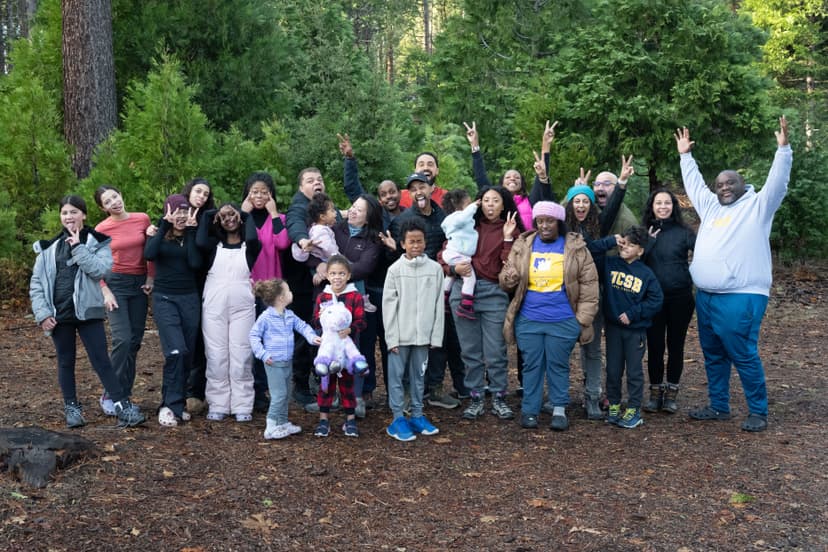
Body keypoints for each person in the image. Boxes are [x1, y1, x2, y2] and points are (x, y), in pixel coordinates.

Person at [676, 116, 792, 432]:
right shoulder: (711, 208)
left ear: (743, 184)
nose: (724, 187)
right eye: (720, 185)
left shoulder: (758, 206)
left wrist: (783, 150)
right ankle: (719, 406)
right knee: (713, 353)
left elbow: (778, 184)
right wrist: (685, 156)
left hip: (741, 296)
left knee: (741, 352)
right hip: (707, 296)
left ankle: (758, 411)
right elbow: (695, 185)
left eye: (730, 183)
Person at [29, 195, 145, 428]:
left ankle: (122, 406)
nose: (69, 217)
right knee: (65, 361)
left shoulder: (98, 241)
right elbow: (37, 283)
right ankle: (72, 408)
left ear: (83, 214)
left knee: (101, 360)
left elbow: (101, 270)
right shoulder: (49, 247)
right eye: (64, 213)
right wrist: (42, 314)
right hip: (59, 314)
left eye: (74, 212)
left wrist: (78, 247)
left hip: (88, 312)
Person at [500, 201, 598, 430]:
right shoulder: (523, 244)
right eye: (540, 221)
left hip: (563, 319)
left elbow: (590, 285)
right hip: (529, 318)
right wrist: (509, 277)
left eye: (550, 221)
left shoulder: (575, 247)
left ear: (559, 222)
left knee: (558, 365)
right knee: (531, 366)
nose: (544, 226)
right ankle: (530, 411)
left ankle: (559, 410)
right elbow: (505, 281)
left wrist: (581, 320)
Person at [442, 186, 524, 420]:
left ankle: (499, 396)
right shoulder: (467, 223)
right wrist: (453, 269)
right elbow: (444, 253)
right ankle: (476, 397)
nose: (490, 205)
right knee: (470, 351)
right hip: (462, 290)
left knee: (496, 350)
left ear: (504, 204)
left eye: (495, 201)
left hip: (493, 292)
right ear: (479, 203)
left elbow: (511, 267)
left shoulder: (511, 229)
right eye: (486, 200)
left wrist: (507, 238)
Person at [285, 166, 362, 410]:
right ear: (301, 187)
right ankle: (302, 387)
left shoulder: (326, 208)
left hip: (326, 284)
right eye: (310, 180)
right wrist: (304, 243)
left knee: (324, 330)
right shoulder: (298, 207)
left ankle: (324, 383)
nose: (316, 182)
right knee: (305, 334)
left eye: (319, 179)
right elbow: (295, 226)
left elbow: (338, 218)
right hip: (302, 284)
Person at [563, 156, 634, 419]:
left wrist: (622, 182)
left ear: (591, 205)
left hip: (593, 296)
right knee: (561, 348)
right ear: (570, 204)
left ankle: (592, 397)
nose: (581, 205)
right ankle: (558, 398)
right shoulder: (562, 228)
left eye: (586, 201)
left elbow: (612, 208)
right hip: (564, 297)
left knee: (592, 348)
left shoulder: (598, 225)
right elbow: (585, 247)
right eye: (576, 201)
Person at [389, 171, 466, 410]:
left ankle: (435, 388)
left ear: (431, 188)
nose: (418, 192)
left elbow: (451, 245)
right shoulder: (403, 220)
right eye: (413, 189)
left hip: (440, 279)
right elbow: (399, 253)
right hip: (410, 284)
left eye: (421, 187)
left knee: (439, 337)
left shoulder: (443, 216)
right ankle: (408, 393)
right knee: (410, 339)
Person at [307, 193, 383, 417]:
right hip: (326, 297)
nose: (353, 211)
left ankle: (355, 397)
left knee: (352, 348)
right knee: (326, 347)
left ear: (368, 217)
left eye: (360, 209)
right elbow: (314, 252)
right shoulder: (334, 229)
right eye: (353, 206)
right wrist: (319, 266)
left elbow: (364, 268)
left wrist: (334, 269)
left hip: (352, 299)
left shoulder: (372, 240)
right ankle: (328, 397)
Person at [590, 226, 664, 429]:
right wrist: (610, 241)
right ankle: (614, 405)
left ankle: (633, 409)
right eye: (624, 243)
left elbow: (656, 300)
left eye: (631, 245)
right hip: (613, 329)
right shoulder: (610, 264)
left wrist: (633, 314)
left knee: (634, 372)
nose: (625, 247)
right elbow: (591, 250)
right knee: (613, 370)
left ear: (640, 251)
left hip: (635, 331)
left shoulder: (646, 274)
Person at [196, 203, 261, 422]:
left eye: (233, 216)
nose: (229, 219)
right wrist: (211, 214)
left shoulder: (249, 247)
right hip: (214, 305)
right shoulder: (213, 246)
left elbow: (252, 238)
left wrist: (243, 214)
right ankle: (218, 403)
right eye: (224, 217)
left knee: (241, 354)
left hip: (242, 306)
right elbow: (200, 241)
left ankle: (242, 404)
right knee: (216, 354)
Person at [93, 185, 153, 415]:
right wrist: (104, 290)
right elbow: (93, 263)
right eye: (107, 202)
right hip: (115, 284)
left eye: (115, 197)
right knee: (123, 339)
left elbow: (150, 250)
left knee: (135, 342)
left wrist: (151, 277)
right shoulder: (101, 228)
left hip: (139, 284)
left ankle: (124, 395)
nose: (114, 203)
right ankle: (111, 393)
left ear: (121, 195)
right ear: (103, 208)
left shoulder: (142, 219)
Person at [144, 194, 203, 427]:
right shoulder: (159, 234)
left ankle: (177, 403)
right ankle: (168, 405)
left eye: (185, 211)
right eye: (177, 211)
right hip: (165, 298)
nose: (181, 216)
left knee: (187, 353)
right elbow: (149, 254)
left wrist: (191, 232)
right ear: (168, 212)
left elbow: (195, 263)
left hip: (189, 299)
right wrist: (163, 225)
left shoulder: (191, 235)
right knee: (175, 352)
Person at [383, 218, 445, 441]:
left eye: (419, 241)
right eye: (411, 241)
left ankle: (417, 414)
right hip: (400, 336)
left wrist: (435, 336)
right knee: (397, 377)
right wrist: (392, 339)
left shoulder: (435, 269)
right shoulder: (395, 270)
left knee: (419, 376)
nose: (416, 245)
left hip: (423, 337)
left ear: (425, 242)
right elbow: (388, 307)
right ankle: (398, 418)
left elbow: (439, 304)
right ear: (403, 244)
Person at [641, 188, 696, 413]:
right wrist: (648, 243)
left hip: (680, 298)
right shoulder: (643, 231)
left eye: (667, 203)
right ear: (652, 206)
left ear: (673, 206)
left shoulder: (685, 232)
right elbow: (633, 260)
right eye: (658, 203)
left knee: (676, 345)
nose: (663, 207)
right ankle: (655, 393)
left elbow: (705, 254)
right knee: (655, 346)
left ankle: (672, 393)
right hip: (653, 299)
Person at [241, 172, 291, 411]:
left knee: (268, 340)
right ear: (247, 194)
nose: (259, 196)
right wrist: (243, 215)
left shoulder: (278, 218)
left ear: (271, 195)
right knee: (247, 339)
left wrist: (273, 213)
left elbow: (283, 243)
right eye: (254, 192)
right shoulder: (240, 217)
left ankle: (263, 391)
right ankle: (248, 390)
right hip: (245, 287)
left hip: (270, 289)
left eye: (264, 192)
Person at [249, 279, 321, 440]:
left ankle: (282, 422)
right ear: (281, 298)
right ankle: (270, 427)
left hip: (287, 361)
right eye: (288, 291)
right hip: (273, 363)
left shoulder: (289, 315)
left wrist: (312, 337)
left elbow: (302, 326)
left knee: (286, 394)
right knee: (279, 395)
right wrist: (263, 354)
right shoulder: (266, 317)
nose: (291, 293)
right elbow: (253, 336)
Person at [464, 120, 558, 231]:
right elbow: (481, 176)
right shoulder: (496, 200)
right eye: (508, 177)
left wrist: (546, 145)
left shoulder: (530, 201)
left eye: (517, 177)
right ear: (502, 183)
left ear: (522, 183)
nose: (512, 178)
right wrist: (474, 145)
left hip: (527, 240)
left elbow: (541, 176)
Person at [310, 255, 366, 437]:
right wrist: (322, 319)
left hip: (346, 349)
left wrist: (350, 329)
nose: (337, 277)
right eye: (333, 273)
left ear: (348, 275)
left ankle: (350, 420)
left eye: (341, 273)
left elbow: (361, 321)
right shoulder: (323, 296)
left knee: (347, 384)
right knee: (326, 384)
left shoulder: (355, 296)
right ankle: (323, 420)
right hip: (328, 349)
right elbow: (315, 321)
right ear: (327, 275)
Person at [178, 178, 213, 415]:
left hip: (202, 283)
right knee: (180, 339)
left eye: (205, 193)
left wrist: (195, 227)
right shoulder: (175, 213)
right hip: (177, 284)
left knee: (200, 338)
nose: (201, 196)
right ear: (189, 191)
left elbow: (203, 247)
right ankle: (178, 390)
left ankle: (196, 391)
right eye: (198, 191)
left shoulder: (209, 218)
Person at [440, 189, 479, 320]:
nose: (471, 206)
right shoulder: (458, 217)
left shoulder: (451, 220)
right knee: (470, 277)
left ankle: (443, 299)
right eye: (468, 203)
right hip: (456, 254)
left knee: (450, 277)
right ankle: (465, 305)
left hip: (452, 253)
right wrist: (474, 206)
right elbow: (463, 217)